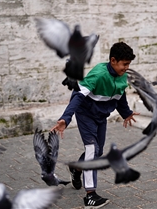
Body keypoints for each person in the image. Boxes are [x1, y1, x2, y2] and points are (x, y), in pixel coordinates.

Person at [51, 42, 140, 208]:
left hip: (101, 117)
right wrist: (66, 117)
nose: (126, 68)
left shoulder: (122, 76)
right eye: (124, 64)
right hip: (86, 115)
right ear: (113, 60)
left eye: (129, 64)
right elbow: (78, 95)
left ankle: (76, 169)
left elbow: (120, 96)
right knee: (92, 150)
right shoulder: (98, 74)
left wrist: (126, 112)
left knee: (97, 151)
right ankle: (90, 196)